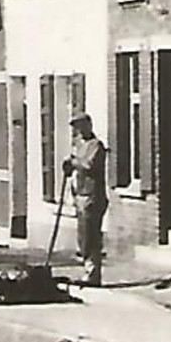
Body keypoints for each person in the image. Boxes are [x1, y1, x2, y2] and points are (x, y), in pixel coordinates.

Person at [62, 112, 108, 285]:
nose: (77, 131)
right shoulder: (79, 144)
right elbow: (76, 163)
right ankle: (87, 270)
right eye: (75, 127)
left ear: (88, 125)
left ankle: (93, 273)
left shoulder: (96, 145)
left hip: (93, 196)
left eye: (80, 126)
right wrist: (68, 166)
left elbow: (89, 164)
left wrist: (75, 163)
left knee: (91, 236)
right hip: (80, 195)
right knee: (82, 236)